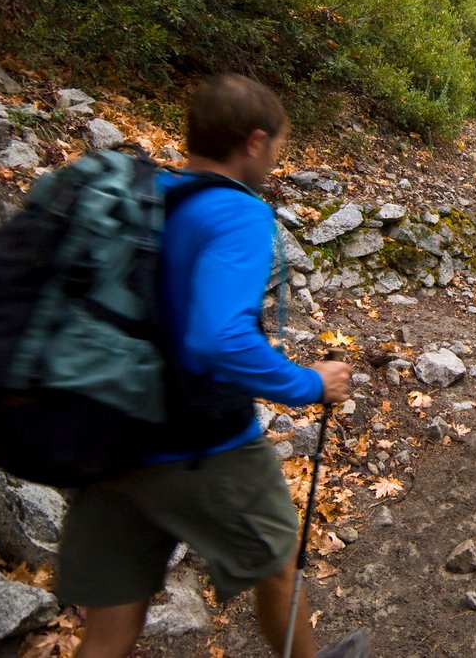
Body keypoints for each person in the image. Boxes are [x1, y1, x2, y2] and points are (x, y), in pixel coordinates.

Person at [56, 74, 368, 658]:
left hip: (108, 436)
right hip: (201, 439)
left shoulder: (152, 201)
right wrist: (308, 383)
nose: (277, 160)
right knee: (278, 565)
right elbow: (218, 338)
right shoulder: (236, 214)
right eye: (277, 147)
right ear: (253, 141)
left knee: (111, 624)